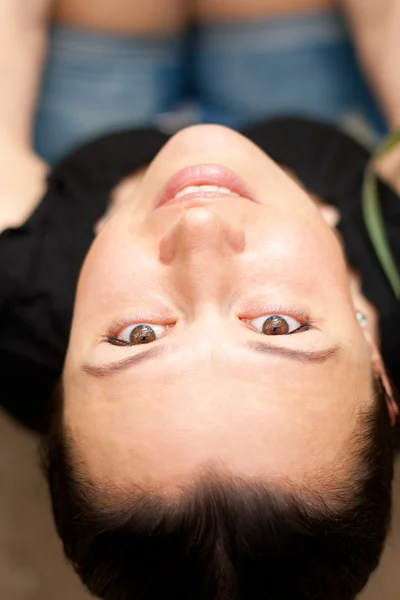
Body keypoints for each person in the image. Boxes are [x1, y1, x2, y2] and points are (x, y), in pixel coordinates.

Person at [0, 114, 399, 600]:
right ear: (379, 374)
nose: (200, 225)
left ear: (57, 397)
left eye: (138, 334)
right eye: (279, 325)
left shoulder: (18, 302)